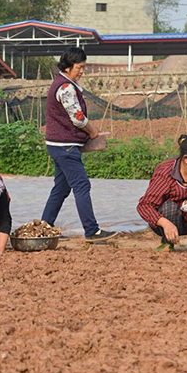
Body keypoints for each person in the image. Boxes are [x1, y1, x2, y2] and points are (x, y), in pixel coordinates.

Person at [41, 47, 117, 242]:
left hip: (58, 145)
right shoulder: (66, 88)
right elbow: (78, 118)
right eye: (79, 67)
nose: (82, 71)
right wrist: (92, 132)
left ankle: (45, 227)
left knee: (61, 188)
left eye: (83, 67)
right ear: (67, 67)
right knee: (81, 185)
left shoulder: (63, 83)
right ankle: (92, 231)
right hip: (65, 147)